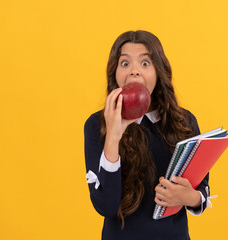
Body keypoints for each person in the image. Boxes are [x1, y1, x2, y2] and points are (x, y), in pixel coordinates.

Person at [84, 30, 210, 240]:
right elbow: (106, 205)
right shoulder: (97, 126)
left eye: (145, 63)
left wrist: (190, 197)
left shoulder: (185, 122)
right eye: (125, 63)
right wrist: (113, 137)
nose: (134, 71)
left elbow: (202, 190)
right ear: (114, 73)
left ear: (158, 72)